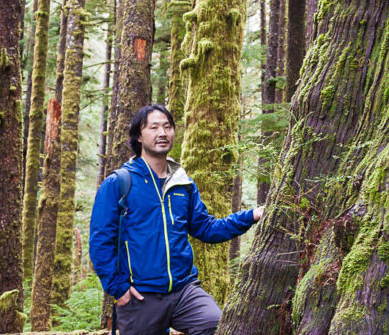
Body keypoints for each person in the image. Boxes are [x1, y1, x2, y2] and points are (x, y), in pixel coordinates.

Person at [89, 105, 264, 335]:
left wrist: (251, 215)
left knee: (217, 326)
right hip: (141, 296)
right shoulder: (119, 183)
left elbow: (206, 228)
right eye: (154, 127)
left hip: (185, 291)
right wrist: (118, 288)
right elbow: (100, 241)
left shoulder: (184, 184)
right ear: (139, 136)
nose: (162, 132)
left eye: (167, 126)